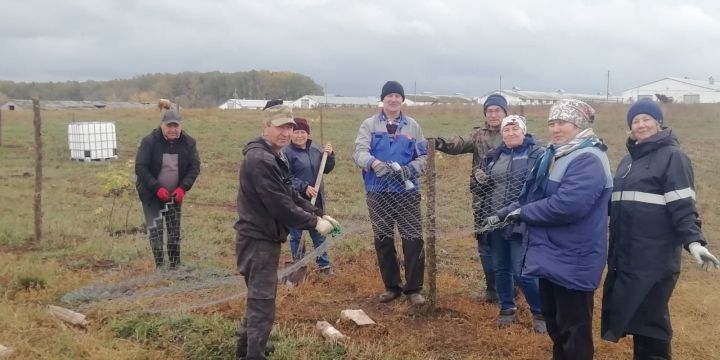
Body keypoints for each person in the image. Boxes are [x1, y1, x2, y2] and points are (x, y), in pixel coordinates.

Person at [601, 99, 720, 359]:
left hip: (654, 259)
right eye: (635, 121)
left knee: (652, 325)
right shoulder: (627, 162)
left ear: (659, 122)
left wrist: (694, 242)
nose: (641, 125)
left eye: (646, 119)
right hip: (626, 256)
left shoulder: (673, 157)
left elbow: (683, 207)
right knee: (637, 321)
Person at [500, 99, 612, 360]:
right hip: (553, 253)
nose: (555, 129)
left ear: (579, 124)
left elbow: (568, 206)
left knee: (574, 329)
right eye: (552, 123)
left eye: (562, 122)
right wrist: (508, 210)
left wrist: (523, 213)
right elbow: (536, 195)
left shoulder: (588, 158)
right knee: (555, 322)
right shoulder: (557, 154)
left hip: (575, 257)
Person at [234, 100, 340, 360]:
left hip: (265, 236)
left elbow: (289, 192)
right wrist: (314, 223)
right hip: (257, 239)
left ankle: (248, 347)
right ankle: (254, 355)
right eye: (280, 127)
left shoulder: (275, 155)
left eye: (289, 128)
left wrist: (317, 211)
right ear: (265, 127)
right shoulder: (259, 159)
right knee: (263, 301)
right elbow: (279, 204)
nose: (285, 133)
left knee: (258, 297)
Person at [352, 80, 428, 305]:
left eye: (397, 96)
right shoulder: (369, 125)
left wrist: (410, 169)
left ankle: (414, 289)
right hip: (378, 191)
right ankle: (392, 286)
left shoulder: (413, 125)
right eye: (389, 96)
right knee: (383, 240)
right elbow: (359, 153)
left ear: (402, 100)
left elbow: (424, 156)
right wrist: (374, 164)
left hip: (406, 192)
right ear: (382, 99)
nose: (393, 100)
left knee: (413, 239)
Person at [435, 93, 508, 302]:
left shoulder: (512, 132)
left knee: (509, 241)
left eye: (497, 110)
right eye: (490, 111)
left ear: (505, 112)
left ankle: (512, 287)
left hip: (509, 199)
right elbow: (459, 143)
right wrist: (439, 142)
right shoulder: (479, 135)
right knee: (485, 243)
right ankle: (492, 288)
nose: (493, 114)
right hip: (483, 199)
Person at [477, 115, 546, 332]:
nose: (511, 133)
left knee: (522, 271)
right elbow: (480, 189)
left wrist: (504, 213)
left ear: (524, 131)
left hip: (521, 221)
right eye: (507, 130)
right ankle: (507, 308)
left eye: (515, 129)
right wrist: (478, 180)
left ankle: (540, 312)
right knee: (500, 268)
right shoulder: (494, 155)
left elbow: (533, 191)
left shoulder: (536, 154)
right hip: (495, 221)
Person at [135, 109, 200, 271]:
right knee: (156, 232)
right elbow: (140, 168)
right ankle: (160, 266)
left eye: (175, 126)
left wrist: (183, 188)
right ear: (162, 126)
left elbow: (194, 167)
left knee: (174, 232)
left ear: (180, 126)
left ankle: (175, 265)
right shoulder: (149, 142)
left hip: (174, 196)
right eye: (169, 126)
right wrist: (157, 188)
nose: (172, 130)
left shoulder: (189, 143)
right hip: (151, 194)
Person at [282, 117, 336, 274]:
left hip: (316, 202)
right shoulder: (286, 153)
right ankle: (298, 267)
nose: (300, 135)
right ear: (291, 133)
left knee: (319, 234)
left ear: (308, 133)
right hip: (295, 202)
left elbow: (326, 169)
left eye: (303, 132)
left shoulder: (316, 150)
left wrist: (330, 155)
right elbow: (286, 178)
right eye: (296, 132)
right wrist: (304, 187)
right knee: (297, 236)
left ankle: (324, 266)